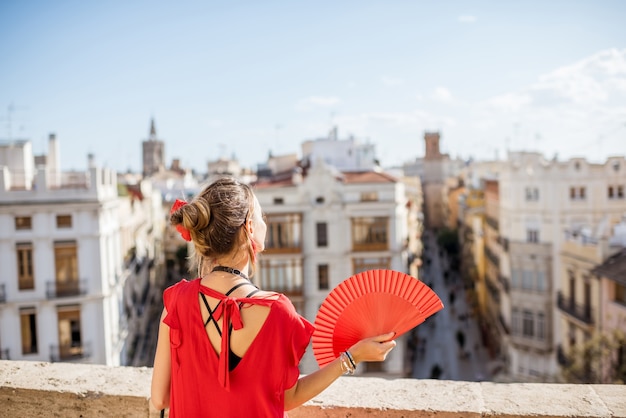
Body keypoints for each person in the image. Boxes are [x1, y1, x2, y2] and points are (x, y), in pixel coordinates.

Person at [150, 176, 396, 417]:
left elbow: (160, 399)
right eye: (261, 216)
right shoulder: (277, 311)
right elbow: (290, 398)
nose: (264, 224)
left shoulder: (176, 302)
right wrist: (352, 357)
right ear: (249, 227)